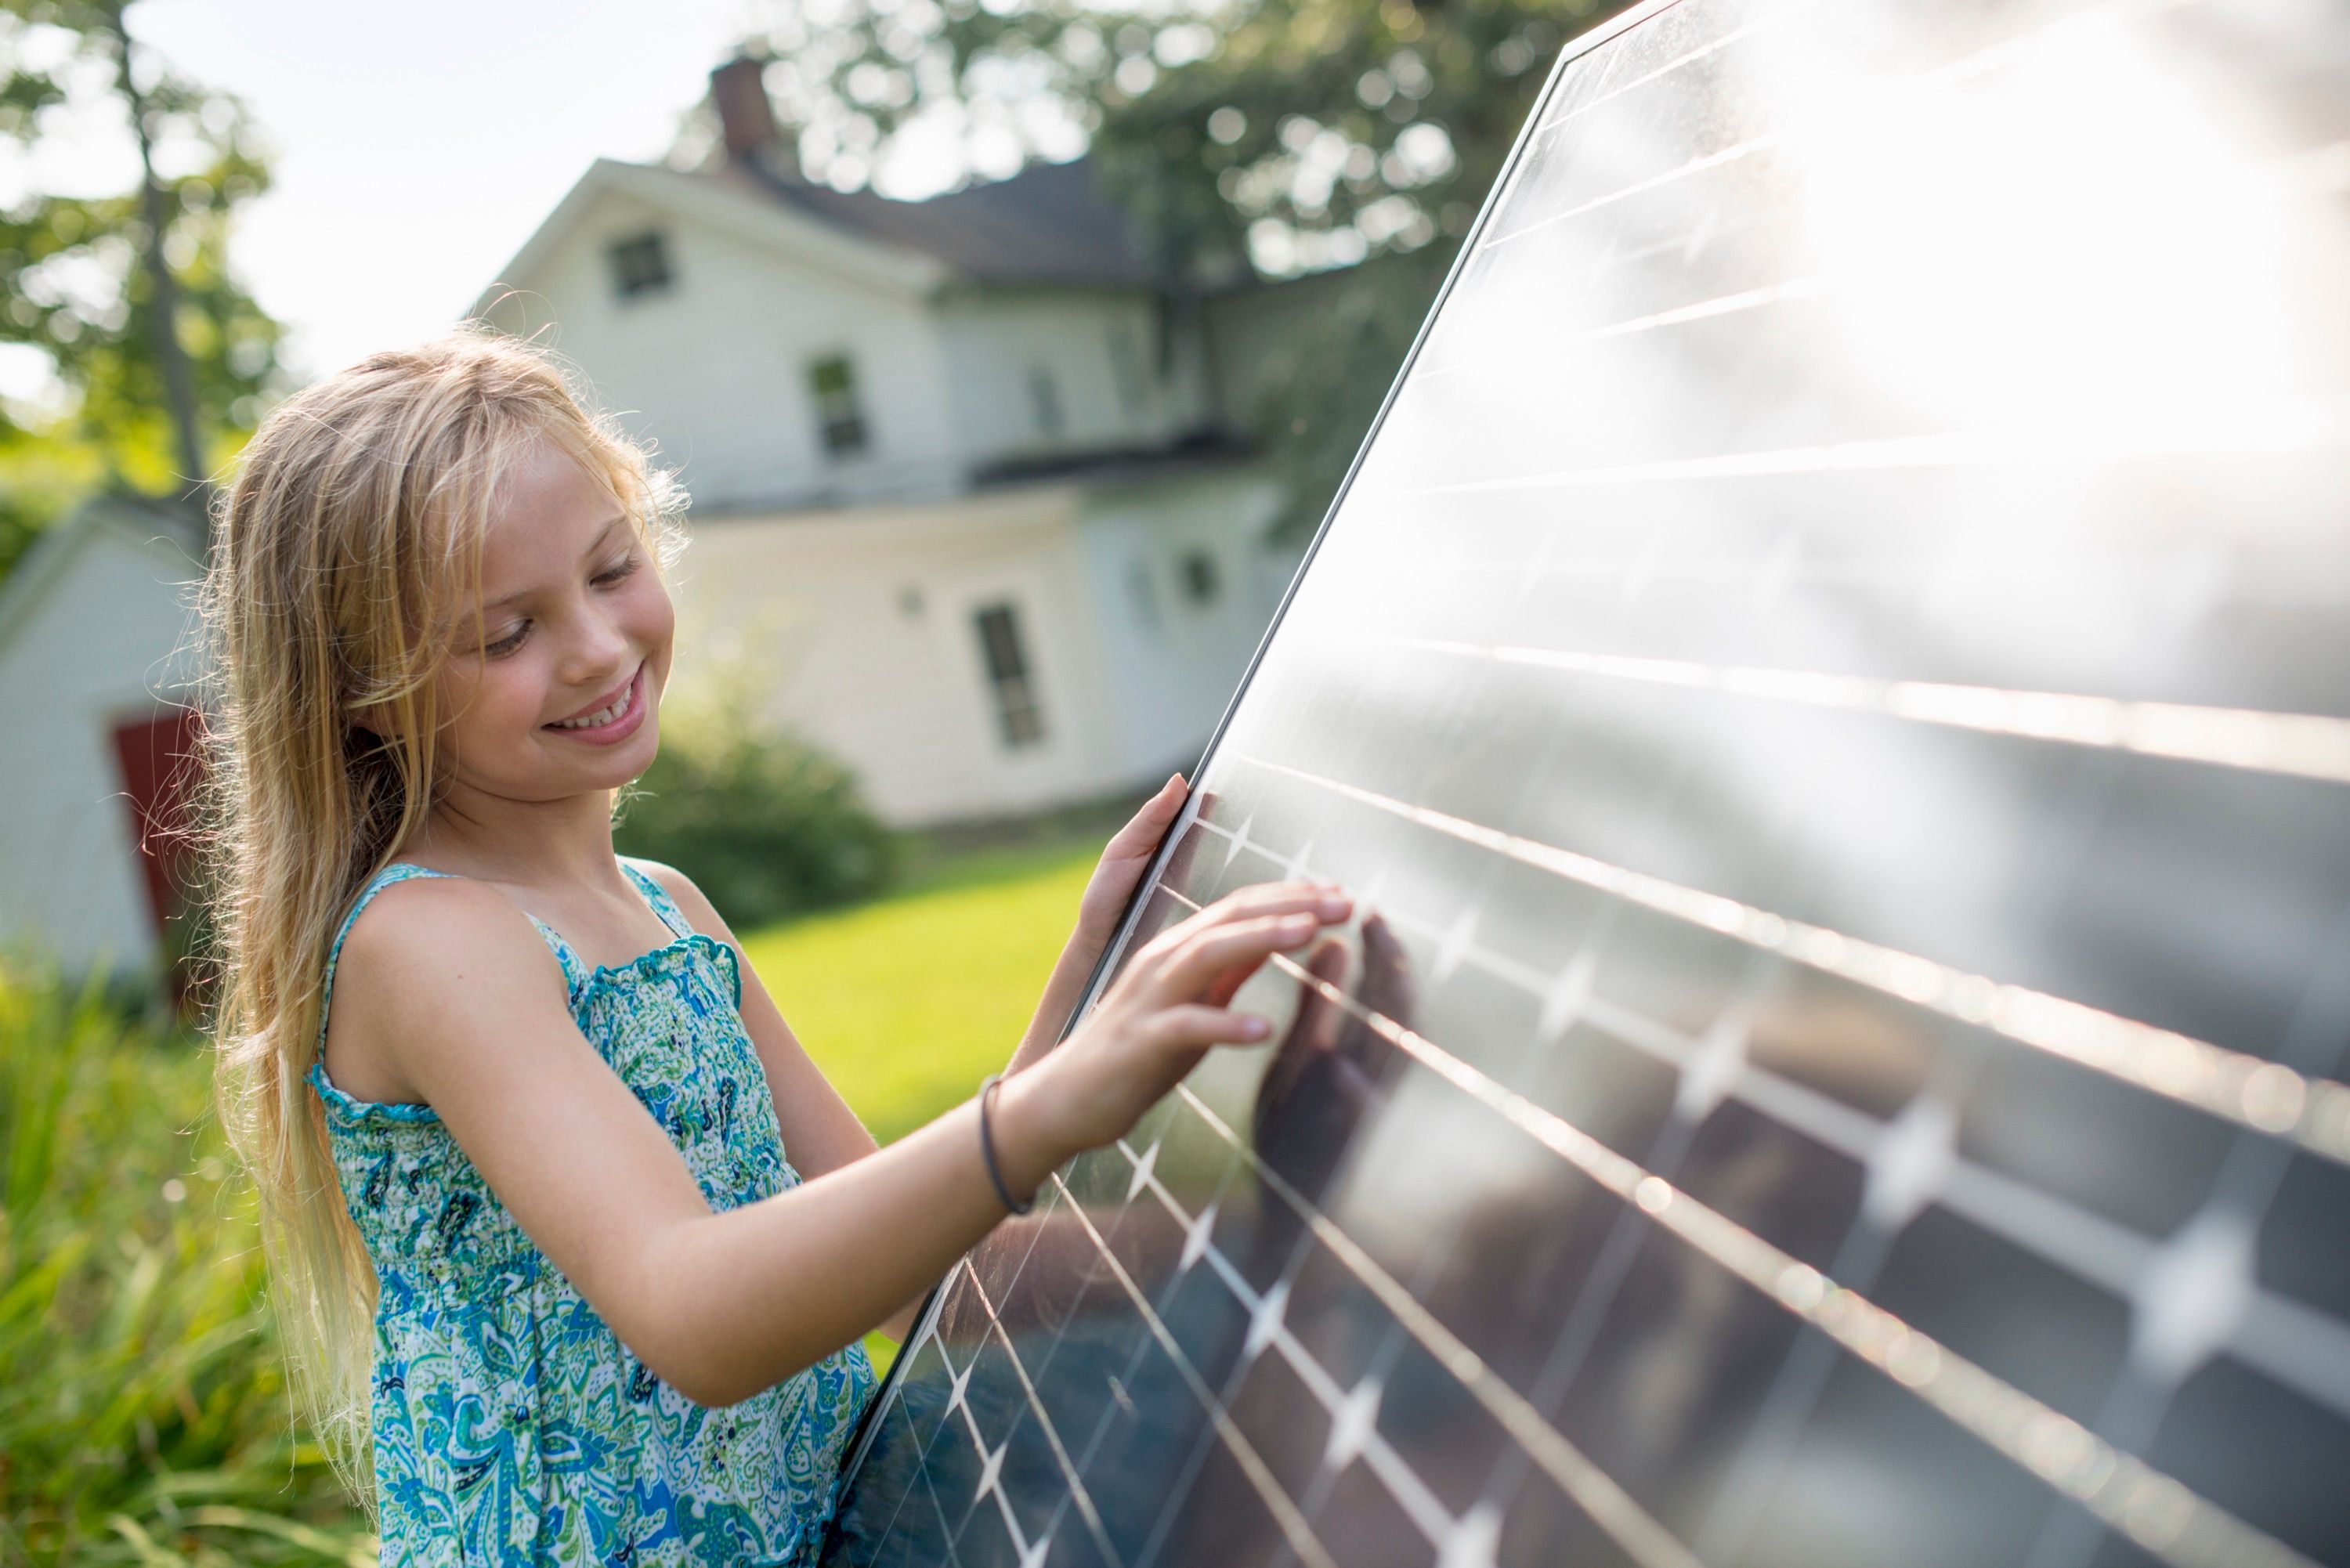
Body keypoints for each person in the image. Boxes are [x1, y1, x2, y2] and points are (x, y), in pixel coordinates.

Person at [197, 331, 1351, 1567]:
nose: (593, 645)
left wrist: (1096, 998)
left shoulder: (674, 911)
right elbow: (692, 1310)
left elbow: (934, 1289)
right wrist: (1043, 1113)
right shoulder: (426, 942)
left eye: (609, 569)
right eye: (504, 632)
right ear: (366, 689)